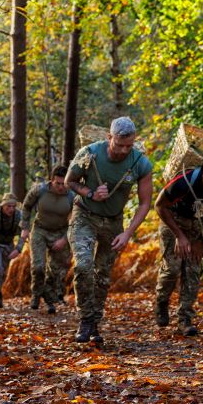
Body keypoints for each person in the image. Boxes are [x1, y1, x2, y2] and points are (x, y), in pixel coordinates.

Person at [66, 116, 153, 344]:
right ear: (109, 138)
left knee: (102, 276)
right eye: (119, 144)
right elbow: (70, 181)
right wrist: (90, 193)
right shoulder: (90, 153)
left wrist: (127, 233)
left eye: (129, 145)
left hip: (114, 222)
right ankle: (85, 320)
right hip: (84, 215)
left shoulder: (140, 163)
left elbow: (145, 203)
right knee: (84, 266)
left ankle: (95, 323)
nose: (124, 150)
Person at [154, 151, 203, 336]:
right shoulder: (185, 181)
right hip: (173, 221)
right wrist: (179, 236)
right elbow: (160, 205)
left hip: (198, 225)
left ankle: (185, 320)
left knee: (192, 271)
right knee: (172, 269)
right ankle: (162, 300)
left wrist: (202, 240)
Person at [20, 165, 74, 314]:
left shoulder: (72, 195)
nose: (61, 187)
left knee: (56, 272)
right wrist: (24, 227)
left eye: (64, 183)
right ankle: (36, 294)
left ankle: (49, 298)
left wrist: (64, 239)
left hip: (60, 233)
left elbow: (77, 220)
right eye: (58, 183)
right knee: (38, 267)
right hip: (40, 230)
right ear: (52, 180)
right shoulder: (40, 190)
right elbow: (26, 206)